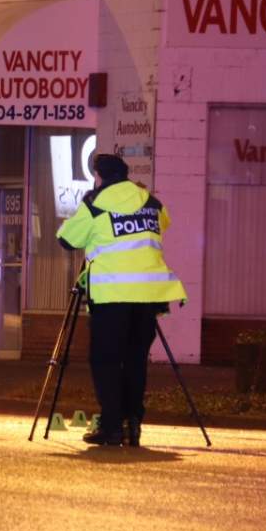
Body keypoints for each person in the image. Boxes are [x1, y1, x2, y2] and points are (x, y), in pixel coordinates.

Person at [56, 154, 187, 447]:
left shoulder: (96, 203)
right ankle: (133, 424)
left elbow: (66, 240)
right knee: (135, 360)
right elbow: (163, 224)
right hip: (148, 298)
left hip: (112, 296)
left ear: (99, 176)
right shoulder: (150, 200)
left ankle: (112, 426)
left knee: (106, 361)